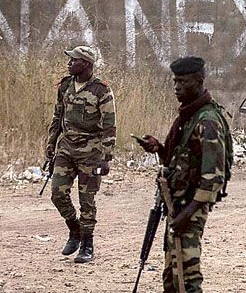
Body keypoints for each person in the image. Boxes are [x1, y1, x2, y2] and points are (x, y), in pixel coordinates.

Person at [137, 56, 232, 293]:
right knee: (172, 272)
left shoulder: (207, 121)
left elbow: (213, 178)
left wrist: (187, 214)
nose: (177, 88)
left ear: (199, 81)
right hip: (177, 203)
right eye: (175, 82)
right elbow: (179, 159)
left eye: (183, 82)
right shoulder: (188, 117)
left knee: (187, 275)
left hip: (191, 205)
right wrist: (158, 148)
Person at [46, 45, 115, 263]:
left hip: (91, 153)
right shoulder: (65, 85)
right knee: (57, 193)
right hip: (66, 148)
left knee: (87, 200)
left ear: (85, 63)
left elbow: (110, 125)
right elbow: (58, 116)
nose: (69, 63)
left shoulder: (101, 90)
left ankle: (87, 245)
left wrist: (106, 156)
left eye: (73, 60)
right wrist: (51, 144)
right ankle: (74, 229)